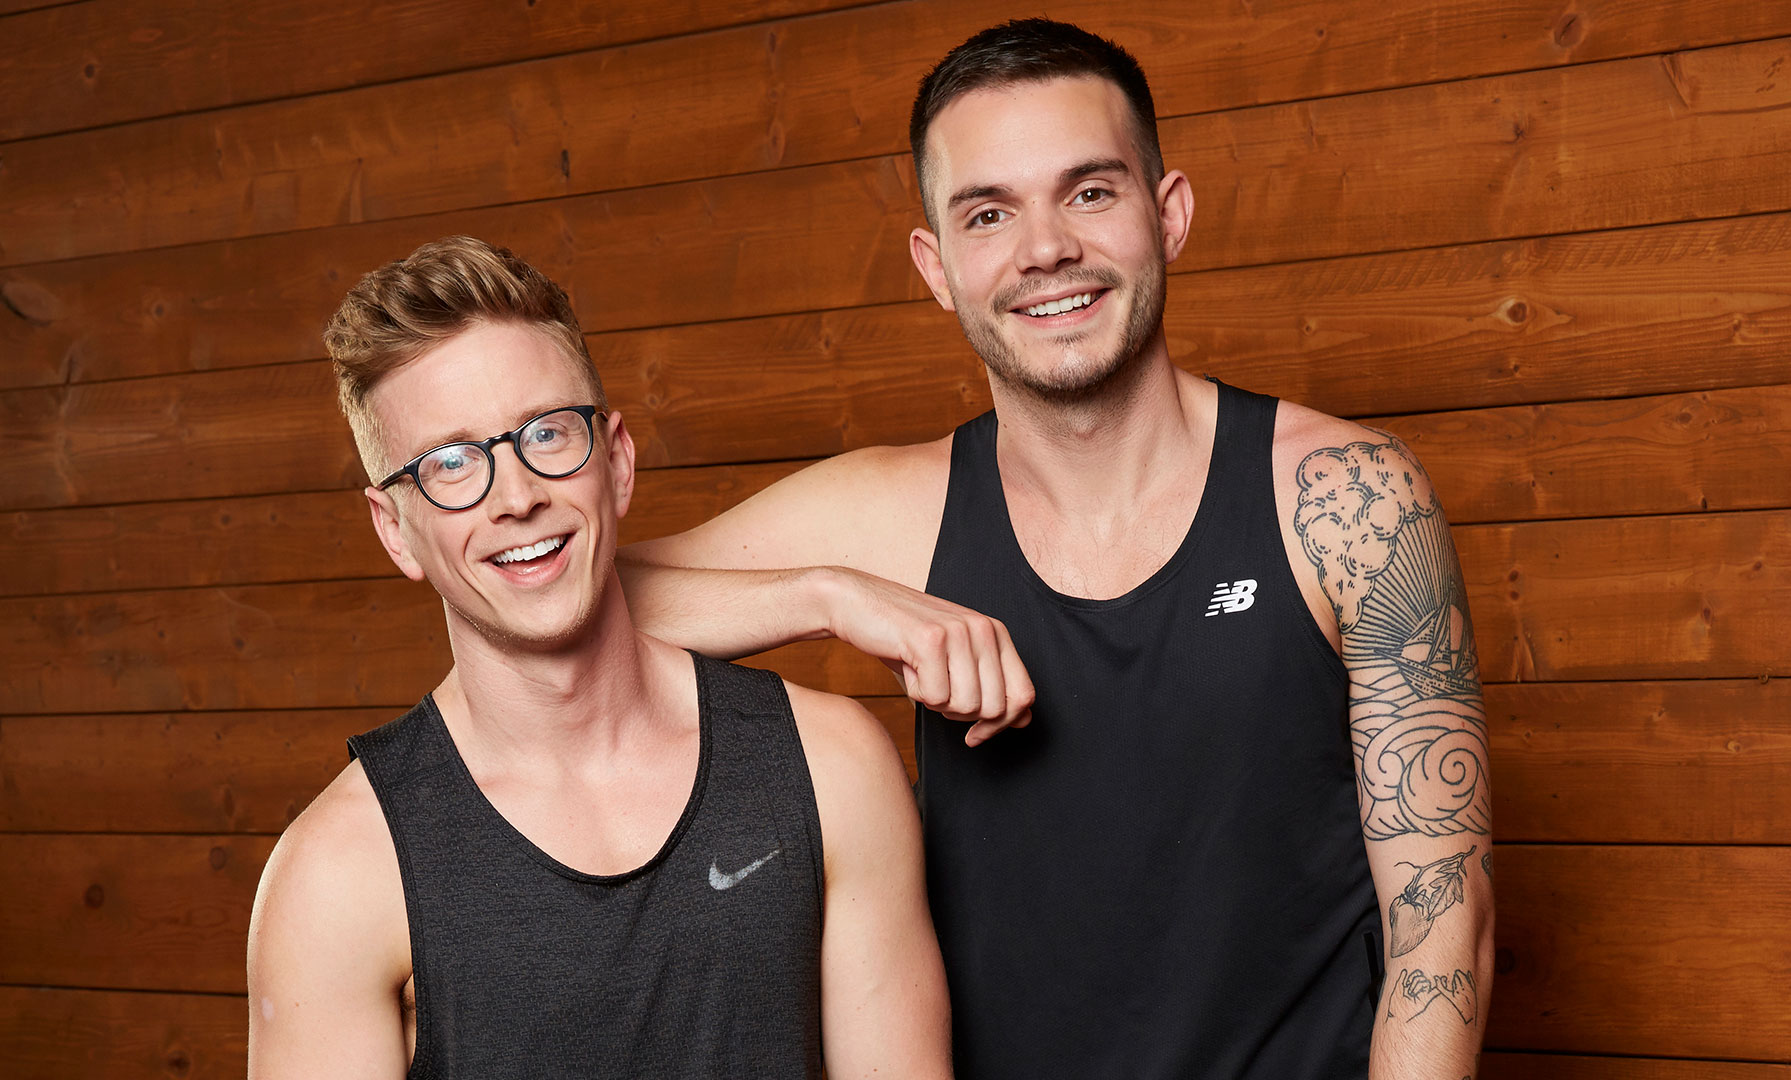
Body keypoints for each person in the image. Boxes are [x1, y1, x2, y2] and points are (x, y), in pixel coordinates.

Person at [619, 18, 1496, 1079]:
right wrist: (832, 597)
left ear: (1168, 214)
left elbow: (1443, 935)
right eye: (989, 214)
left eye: (1088, 192)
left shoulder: (1348, 500)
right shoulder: (899, 514)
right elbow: (582, 602)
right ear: (938, 266)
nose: (1045, 250)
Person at [245, 237, 951, 1079]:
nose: (517, 497)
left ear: (616, 461)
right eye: (452, 464)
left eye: (547, 433)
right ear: (395, 530)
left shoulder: (831, 767)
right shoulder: (335, 875)